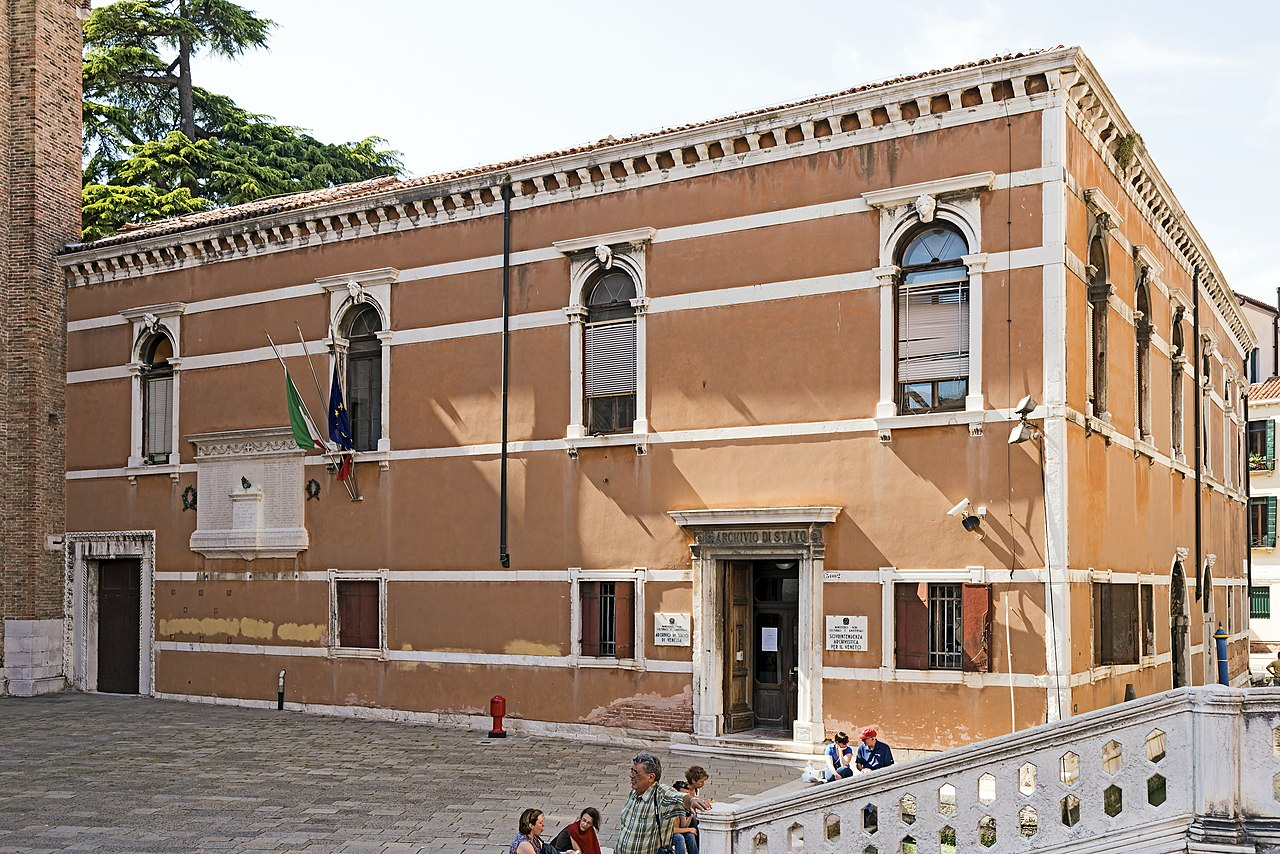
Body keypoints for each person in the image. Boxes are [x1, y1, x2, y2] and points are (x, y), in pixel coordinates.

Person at [616, 753, 712, 854]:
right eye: (631, 770)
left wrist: (692, 800)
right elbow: (624, 829)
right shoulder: (634, 793)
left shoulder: (661, 794)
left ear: (651, 777)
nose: (631, 775)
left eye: (635, 772)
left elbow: (679, 797)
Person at [671, 766, 710, 854]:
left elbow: (683, 825)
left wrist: (691, 814)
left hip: (681, 827)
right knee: (681, 837)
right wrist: (689, 829)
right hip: (669, 834)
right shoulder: (671, 807)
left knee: (690, 835)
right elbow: (670, 830)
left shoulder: (680, 807)